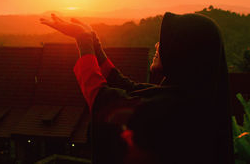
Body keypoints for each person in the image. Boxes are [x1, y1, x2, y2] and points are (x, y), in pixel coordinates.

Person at [40, 12, 234, 164]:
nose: (158, 45)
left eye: (167, 41)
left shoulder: (177, 111)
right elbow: (127, 87)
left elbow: (103, 100)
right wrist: (93, 43)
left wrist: (84, 41)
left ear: (187, 52)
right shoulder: (188, 95)